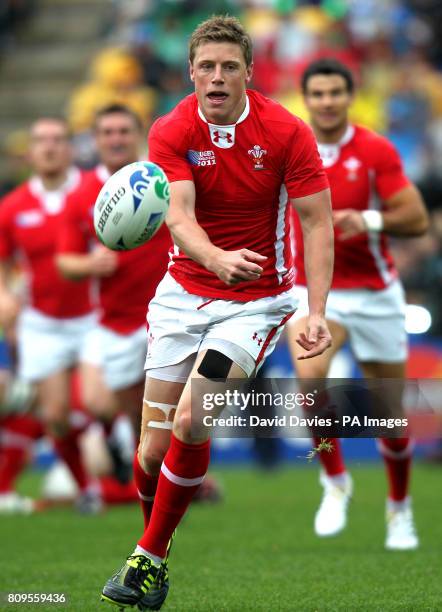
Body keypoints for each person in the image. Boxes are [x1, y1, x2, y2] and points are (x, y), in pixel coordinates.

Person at [101, 15, 333, 610]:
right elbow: (177, 214)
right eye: (206, 66)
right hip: (182, 295)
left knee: (190, 421)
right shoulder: (171, 127)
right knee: (151, 453)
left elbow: (316, 222)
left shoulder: (286, 132)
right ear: (191, 73)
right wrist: (213, 256)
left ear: (249, 73)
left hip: (255, 301)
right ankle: (157, 555)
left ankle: (146, 560)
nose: (217, 77)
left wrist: (316, 311)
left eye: (230, 66)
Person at [287, 59, 429, 550]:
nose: (326, 101)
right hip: (313, 291)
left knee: (390, 416)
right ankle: (334, 479)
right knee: (309, 383)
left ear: (350, 97)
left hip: (373, 293)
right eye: (318, 93)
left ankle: (399, 510)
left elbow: (415, 218)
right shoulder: (288, 148)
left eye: (335, 92)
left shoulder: (373, 149)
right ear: (305, 99)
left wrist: (366, 220)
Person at [57, 104, 172, 477]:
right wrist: (90, 265)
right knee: (96, 400)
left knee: (165, 413)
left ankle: (169, 477)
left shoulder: (163, 181)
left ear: (138, 135)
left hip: (164, 315)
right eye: (107, 132)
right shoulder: (81, 195)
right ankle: (127, 451)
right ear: (95, 140)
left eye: (124, 131)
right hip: (111, 319)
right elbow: (65, 261)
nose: (116, 138)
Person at [0, 117, 106, 512]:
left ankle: (111, 453)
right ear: (30, 150)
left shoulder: (96, 190)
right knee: (56, 416)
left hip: (94, 314)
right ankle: (88, 489)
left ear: (69, 148)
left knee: (98, 403)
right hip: (42, 322)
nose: (49, 147)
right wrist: (4, 297)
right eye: (41, 140)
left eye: (57, 140)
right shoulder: (13, 207)